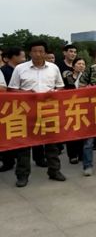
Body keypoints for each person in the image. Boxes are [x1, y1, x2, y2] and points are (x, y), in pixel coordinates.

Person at [7, 40, 66, 187]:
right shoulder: (20, 69)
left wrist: (52, 93)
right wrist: (26, 94)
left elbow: (61, 87)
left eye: (41, 51)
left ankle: (54, 170)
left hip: (48, 111)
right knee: (24, 145)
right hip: (26, 113)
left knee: (52, 143)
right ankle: (22, 175)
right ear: (29, 52)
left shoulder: (53, 68)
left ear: (45, 52)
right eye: (34, 51)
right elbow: (12, 90)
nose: (38, 54)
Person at [62, 57, 86, 164]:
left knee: (82, 132)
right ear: (73, 66)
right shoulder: (68, 78)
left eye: (83, 64)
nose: (81, 65)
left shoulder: (87, 78)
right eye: (79, 63)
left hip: (84, 108)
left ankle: (81, 153)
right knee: (71, 131)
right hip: (70, 107)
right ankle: (72, 155)